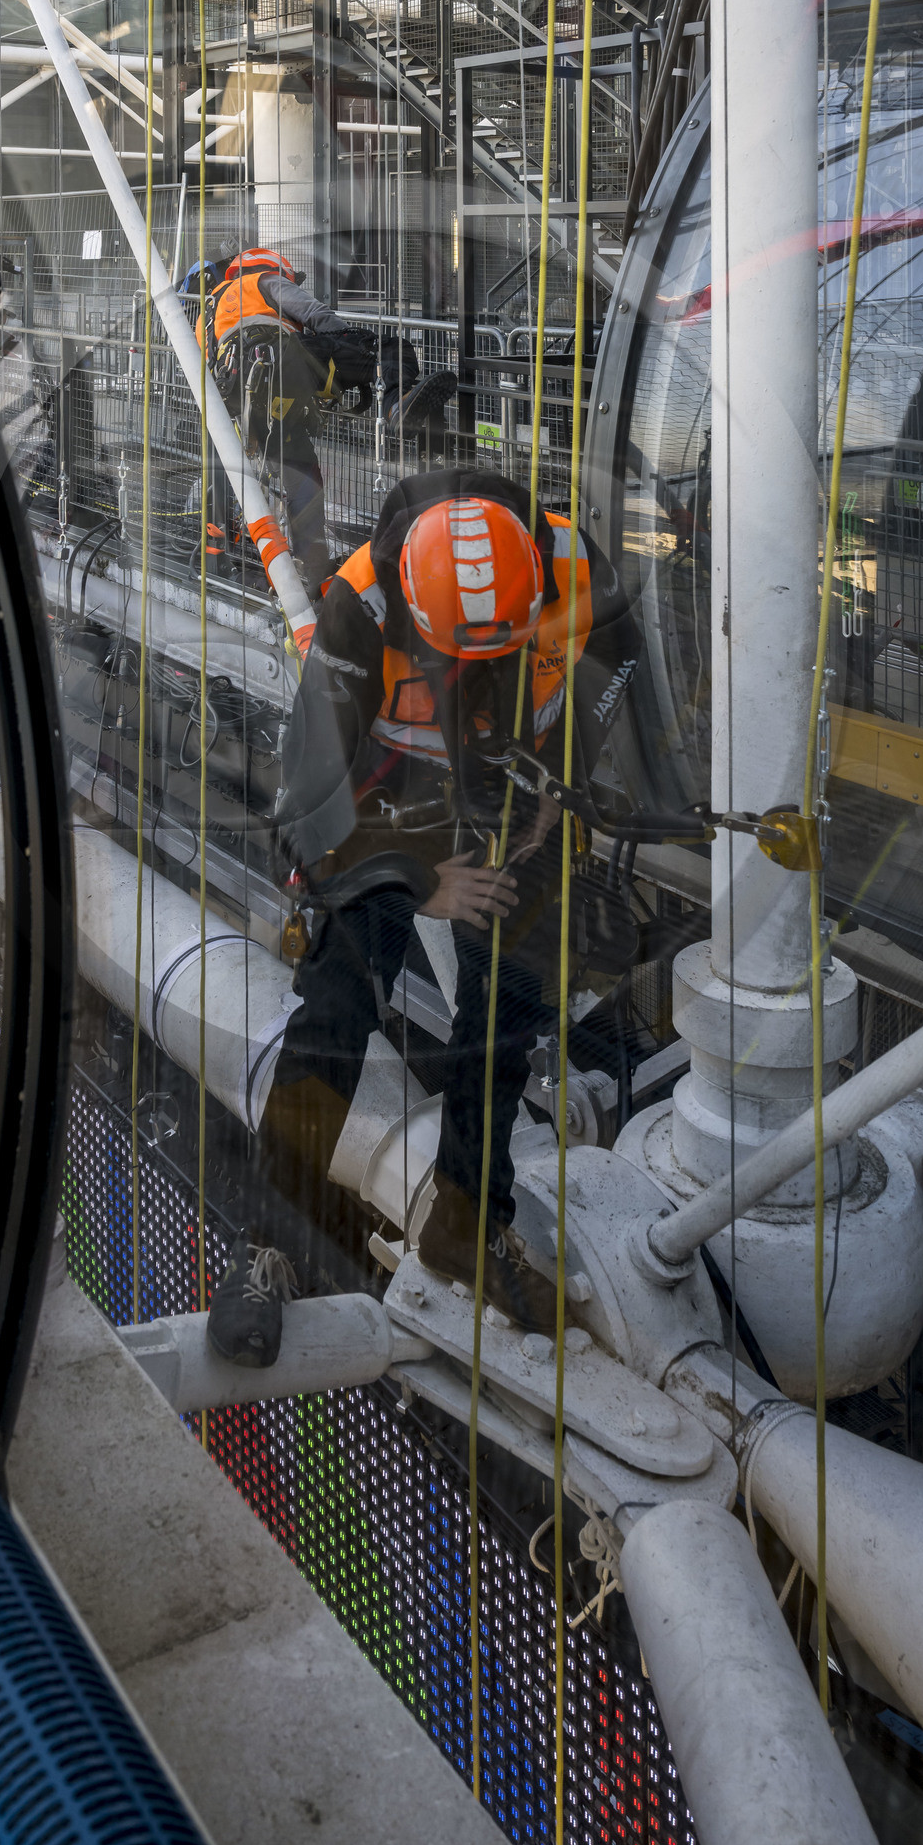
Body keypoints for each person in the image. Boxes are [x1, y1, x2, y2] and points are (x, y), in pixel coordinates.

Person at [207, 467, 646, 1364]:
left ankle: (465, 1226)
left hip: (525, 794)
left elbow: (618, 666)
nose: (473, 683)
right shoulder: (361, 607)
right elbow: (304, 812)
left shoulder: (567, 565)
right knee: (335, 1013)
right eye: (458, 664)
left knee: (503, 1022)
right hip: (390, 807)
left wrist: (557, 793)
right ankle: (267, 1247)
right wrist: (415, 880)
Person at [194, 245, 376, 587]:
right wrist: (357, 348)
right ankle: (313, 564)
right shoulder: (265, 282)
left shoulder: (212, 305)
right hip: (274, 387)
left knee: (226, 479)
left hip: (229, 403)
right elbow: (315, 314)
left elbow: (199, 361)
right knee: (302, 478)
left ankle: (216, 555)